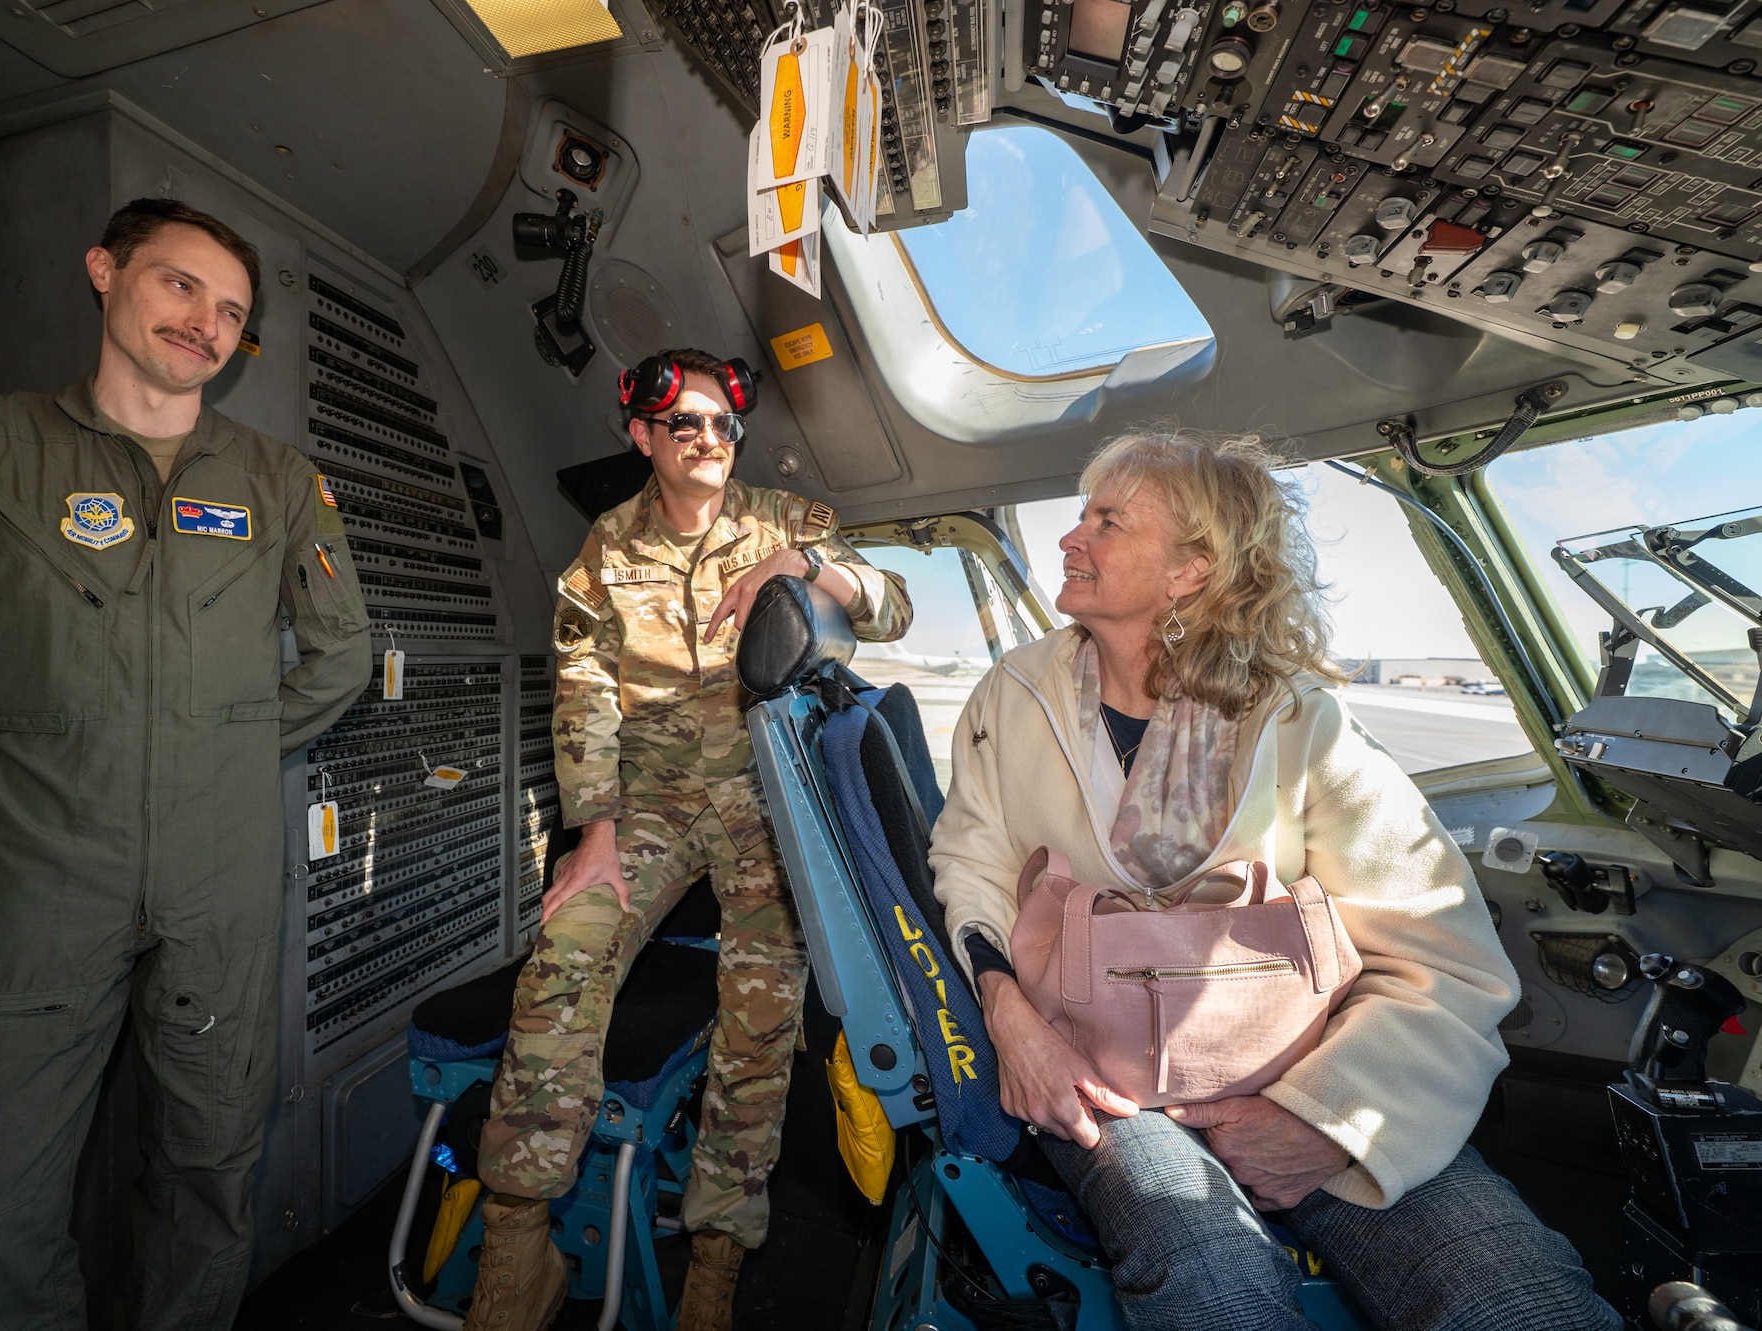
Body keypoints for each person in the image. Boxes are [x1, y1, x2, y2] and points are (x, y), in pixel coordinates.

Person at [0, 198, 372, 1330]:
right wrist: (36, 732)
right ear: (104, 271)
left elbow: (340, 656)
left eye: (231, 313)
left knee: (210, 1172)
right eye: (179, 285)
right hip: (44, 874)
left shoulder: (274, 477)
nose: (204, 324)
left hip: (218, 876)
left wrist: (206, 743)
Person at [928, 432, 1620, 1331]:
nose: (1071, 537)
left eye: (1107, 521)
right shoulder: (1011, 696)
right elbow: (972, 863)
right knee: (1215, 1288)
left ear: (1190, 570)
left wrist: (1327, 1120)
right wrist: (1011, 1015)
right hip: (1107, 1082)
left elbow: (1444, 962)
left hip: (1309, 1066)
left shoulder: (1299, 720)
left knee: (1516, 1297)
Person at [463, 348, 912, 1331]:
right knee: (565, 951)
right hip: (651, 800)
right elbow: (581, 690)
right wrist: (593, 834)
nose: (710, 440)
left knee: (756, 1027)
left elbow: (889, 603)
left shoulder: (782, 520)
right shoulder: (605, 549)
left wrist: (804, 564)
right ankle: (515, 1236)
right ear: (642, 437)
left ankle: (717, 1254)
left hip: (768, 797)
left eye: (722, 425)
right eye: (687, 425)